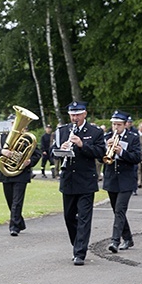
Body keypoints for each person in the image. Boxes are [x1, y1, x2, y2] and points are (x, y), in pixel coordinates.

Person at [52, 101, 105, 265]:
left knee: (84, 217)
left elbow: (100, 152)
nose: (75, 117)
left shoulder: (94, 132)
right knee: (69, 217)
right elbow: (53, 153)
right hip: (68, 180)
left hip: (86, 181)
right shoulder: (62, 131)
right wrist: (61, 148)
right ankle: (77, 243)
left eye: (78, 114)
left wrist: (82, 145)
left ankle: (80, 253)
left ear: (85, 114)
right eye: (72, 114)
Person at [0, 113, 42, 236]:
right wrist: (2, 151)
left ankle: (14, 227)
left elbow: (37, 154)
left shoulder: (27, 138)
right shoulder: (2, 137)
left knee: (17, 201)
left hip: (21, 173)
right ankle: (19, 222)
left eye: (16, 122)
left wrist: (29, 161)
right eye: (12, 123)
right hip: (6, 173)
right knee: (10, 201)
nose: (15, 125)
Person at [103, 110, 141, 252]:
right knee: (117, 211)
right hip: (111, 179)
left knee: (120, 209)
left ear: (125, 125)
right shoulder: (107, 137)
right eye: (114, 125)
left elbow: (137, 158)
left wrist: (122, 153)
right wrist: (106, 148)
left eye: (119, 125)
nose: (116, 128)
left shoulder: (133, 138)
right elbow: (101, 157)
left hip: (126, 179)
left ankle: (115, 241)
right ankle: (128, 238)